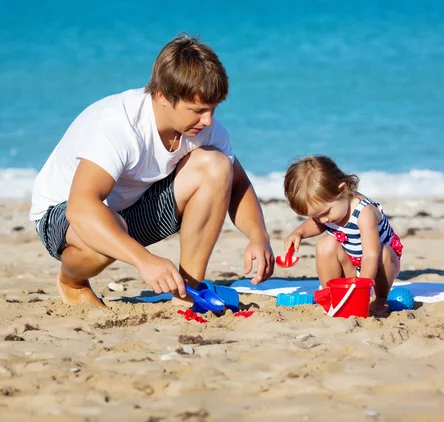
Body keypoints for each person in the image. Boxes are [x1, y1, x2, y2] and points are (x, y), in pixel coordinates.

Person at [30, 34, 274, 307]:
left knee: (216, 165)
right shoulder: (117, 125)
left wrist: (258, 235)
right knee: (107, 227)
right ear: (162, 96)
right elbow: (81, 207)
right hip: (65, 216)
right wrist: (144, 261)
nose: (207, 120)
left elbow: (237, 183)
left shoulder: (205, 128)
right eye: (197, 110)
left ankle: (186, 292)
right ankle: (71, 282)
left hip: (133, 210)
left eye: (213, 109)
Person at [282, 155, 403, 313]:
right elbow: (317, 223)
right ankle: (332, 295)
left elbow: (370, 255)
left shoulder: (364, 212)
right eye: (316, 215)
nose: (322, 219)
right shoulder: (331, 210)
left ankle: (380, 299)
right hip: (351, 264)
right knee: (325, 245)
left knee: (384, 253)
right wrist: (299, 233)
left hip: (379, 265)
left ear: (343, 189)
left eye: (325, 213)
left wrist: (362, 291)